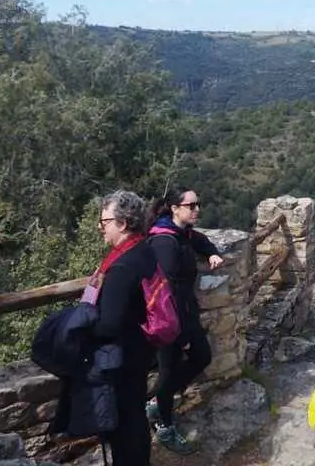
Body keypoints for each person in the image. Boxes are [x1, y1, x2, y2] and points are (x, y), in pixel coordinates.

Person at [146, 187, 224, 454]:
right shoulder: (164, 242)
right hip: (168, 321)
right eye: (191, 205)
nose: (197, 209)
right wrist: (181, 335)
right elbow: (167, 292)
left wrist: (212, 251)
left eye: (197, 204)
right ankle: (164, 425)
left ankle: (158, 402)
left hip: (184, 315)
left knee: (202, 357)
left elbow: (199, 239)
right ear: (175, 208)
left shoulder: (181, 233)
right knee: (168, 374)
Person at [88, 190, 159, 465]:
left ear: (123, 223)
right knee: (135, 418)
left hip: (121, 357)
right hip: (141, 350)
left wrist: (82, 330)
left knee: (123, 426)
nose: (100, 227)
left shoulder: (121, 267)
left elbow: (109, 324)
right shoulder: (144, 250)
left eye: (104, 221)